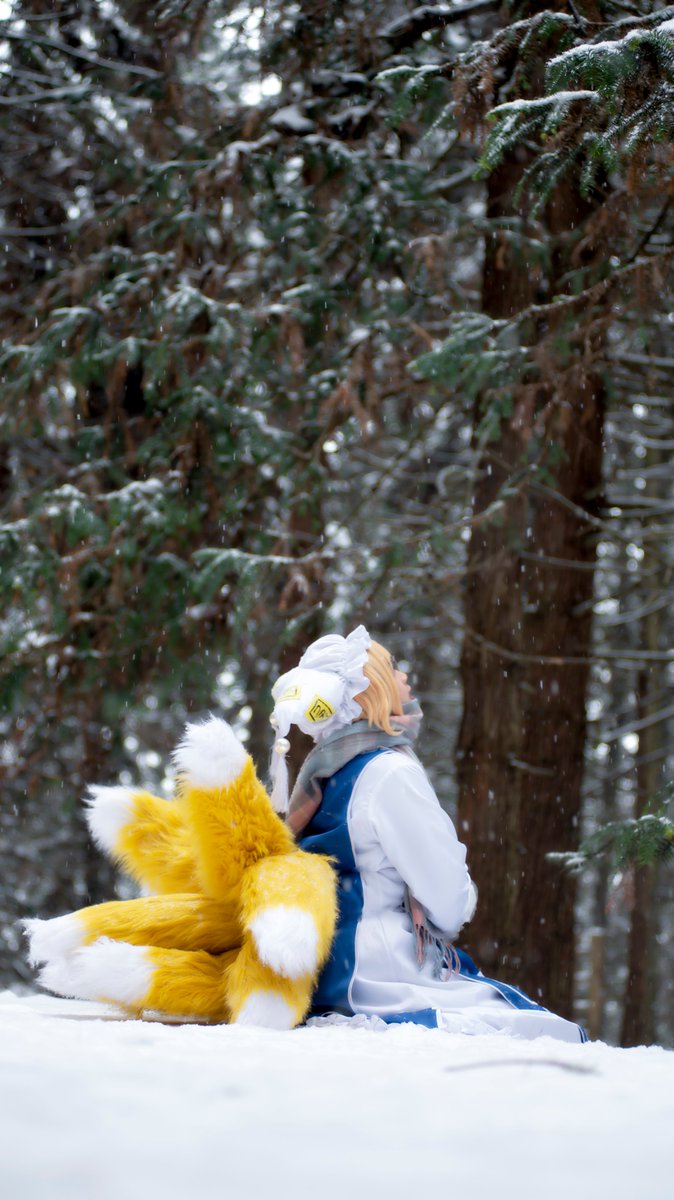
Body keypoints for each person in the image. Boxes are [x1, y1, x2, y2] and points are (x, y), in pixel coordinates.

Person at [269, 625, 586, 1042]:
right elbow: (448, 899)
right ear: (369, 691)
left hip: (327, 975)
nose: (404, 677)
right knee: (551, 1033)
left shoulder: (324, 773)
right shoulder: (388, 772)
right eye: (392, 669)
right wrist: (461, 896)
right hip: (384, 979)